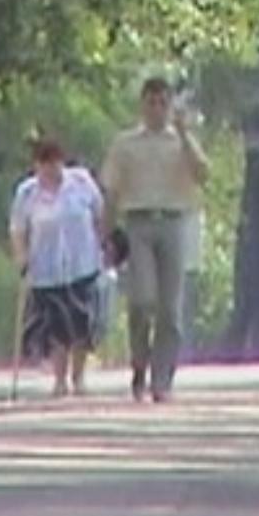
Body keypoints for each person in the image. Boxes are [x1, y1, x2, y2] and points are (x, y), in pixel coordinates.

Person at [100, 78, 209, 403]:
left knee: (170, 309)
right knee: (142, 301)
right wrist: (106, 232)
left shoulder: (182, 142)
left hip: (174, 221)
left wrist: (185, 134)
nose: (157, 109)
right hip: (139, 222)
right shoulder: (125, 143)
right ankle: (139, 365)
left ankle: (162, 379)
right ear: (143, 105)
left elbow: (203, 174)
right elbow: (111, 189)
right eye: (152, 102)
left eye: (163, 103)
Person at [9, 136, 106, 397]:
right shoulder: (27, 192)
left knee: (81, 324)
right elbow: (18, 229)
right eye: (43, 164)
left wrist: (104, 247)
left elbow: (99, 214)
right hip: (46, 270)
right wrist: (21, 256)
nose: (49, 169)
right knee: (55, 327)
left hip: (81, 263)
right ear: (36, 165)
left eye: (54, 163)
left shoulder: (81, 182)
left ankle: (79, 377)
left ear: (61, 162)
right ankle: (60, 378)